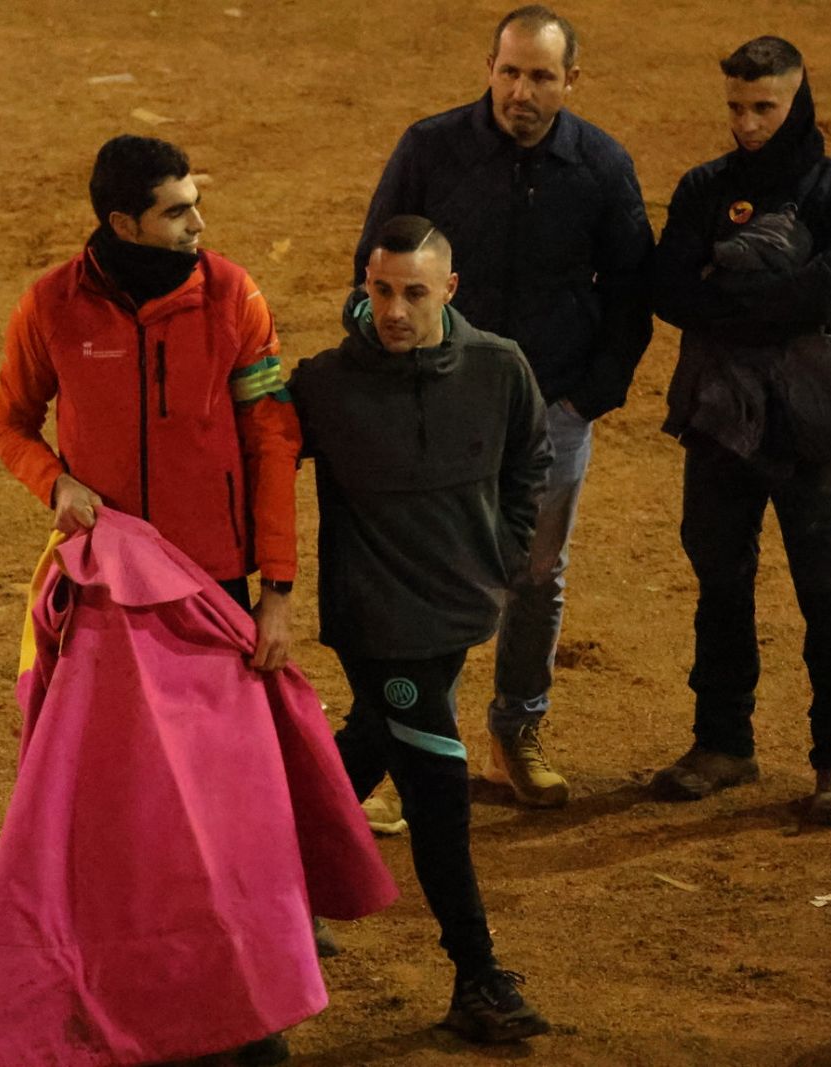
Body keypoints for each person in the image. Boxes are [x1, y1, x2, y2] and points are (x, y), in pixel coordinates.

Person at [353, 4, 653, 808]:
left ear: (571, 82)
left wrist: (589, 396)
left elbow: (631, 291)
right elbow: (374, 262)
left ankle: (516, 729)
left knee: (537, 575)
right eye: (510, 71)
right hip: (444, 405)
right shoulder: (431, 149)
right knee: (435, 574)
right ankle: (431, 746)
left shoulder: (602, 166)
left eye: (541, 76)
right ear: (489, 67)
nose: (521, 90)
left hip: (551, 410)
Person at [291, 216, 553, 1044]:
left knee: (376, 736)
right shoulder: (323, 384)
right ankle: (476, 975)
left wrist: (502, 555)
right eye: (380, 290)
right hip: (378, 623)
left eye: (413, 291)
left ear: (449, 290)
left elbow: (531, 463)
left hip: (457, 612)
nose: (395, 310)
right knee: (436, 788)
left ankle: (269, 877)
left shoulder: (499, 366)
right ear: (363, 287)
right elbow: (250, 460)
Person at [649, 36, 831, 826]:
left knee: (827, 590)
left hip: (808, 426)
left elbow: (827, 293)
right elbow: (670, 290)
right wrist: (767, 296)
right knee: (719, 580)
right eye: (737, 108)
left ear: (798, 98)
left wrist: (727, 290)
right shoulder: (703, 186)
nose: (747, 124)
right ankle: (723, 743)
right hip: (720, 419)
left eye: (764, 107)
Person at [0, 133, 299, 670]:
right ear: (123, 224)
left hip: (211, 575)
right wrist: (55, 482)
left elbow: (272, 439)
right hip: (106, 574)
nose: (198, 225)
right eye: (177, 212)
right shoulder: (50, 308)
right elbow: (9, 423)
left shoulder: (234, 296)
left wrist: (277, 588)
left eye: (195, 205)